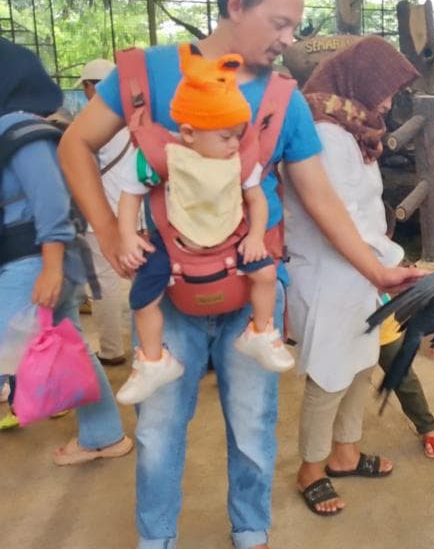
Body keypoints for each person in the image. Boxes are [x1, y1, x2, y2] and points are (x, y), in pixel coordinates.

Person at [57, 0, 422, 548]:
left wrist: (378, 269)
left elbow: (323, 201)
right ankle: (157, 539)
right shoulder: (148, 73)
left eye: (294, 26)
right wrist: (110, 231)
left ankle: (251, 533)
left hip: (250, 290)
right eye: (279, 23)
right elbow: (75, 143)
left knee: (254, 427)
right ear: (235, 7)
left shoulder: (285, 99)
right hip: (166, 287)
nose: (289, 39)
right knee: (158, 430)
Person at [114, 44, 292, 406]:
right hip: (171, 240)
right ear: (190, 132)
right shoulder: (158, 158)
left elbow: (256, 199)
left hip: (233, 239)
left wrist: (257, 236)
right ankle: (152, 359)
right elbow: (130, 195)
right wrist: (126, 236)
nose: (233, 144)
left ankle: (260, 331)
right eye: (225, 136)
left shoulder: (240, 161)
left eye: (238, 135)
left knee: (266, 274)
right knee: (144, 296)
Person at [286, 36, 419, 517]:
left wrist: (384, 265)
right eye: (383, 90)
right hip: (327, 272)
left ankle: (344, 452)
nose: (386, 102)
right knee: (329, 371)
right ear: (357, 82)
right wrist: (390, 260)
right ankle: (311, 468)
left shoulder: (351, 133)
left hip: (361, 272)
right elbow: (337, 215)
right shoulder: (323, 134)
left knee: (361, 362)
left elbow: (361, 212)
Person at [0, 38, 132, 462]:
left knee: (13, 343)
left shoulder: (21, 129)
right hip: (34, 258)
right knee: (66, 341)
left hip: (32, 259)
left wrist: (52, 267)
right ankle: (104, 434)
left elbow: (51, 201)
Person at [377, 202, 434, 459]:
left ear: (390, 234)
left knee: (405, 380)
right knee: (343, 386)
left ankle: (427, 426)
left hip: (387, 332)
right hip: (349, 331)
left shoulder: (395, 257)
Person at [79, 58, 133, 366]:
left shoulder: (89, 121)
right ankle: (150, 347)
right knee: (144, 281)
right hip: (136, 214)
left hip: (102, 216)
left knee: (104, 284)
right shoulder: (133, 118)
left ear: (90, 87)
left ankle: (112, 350)